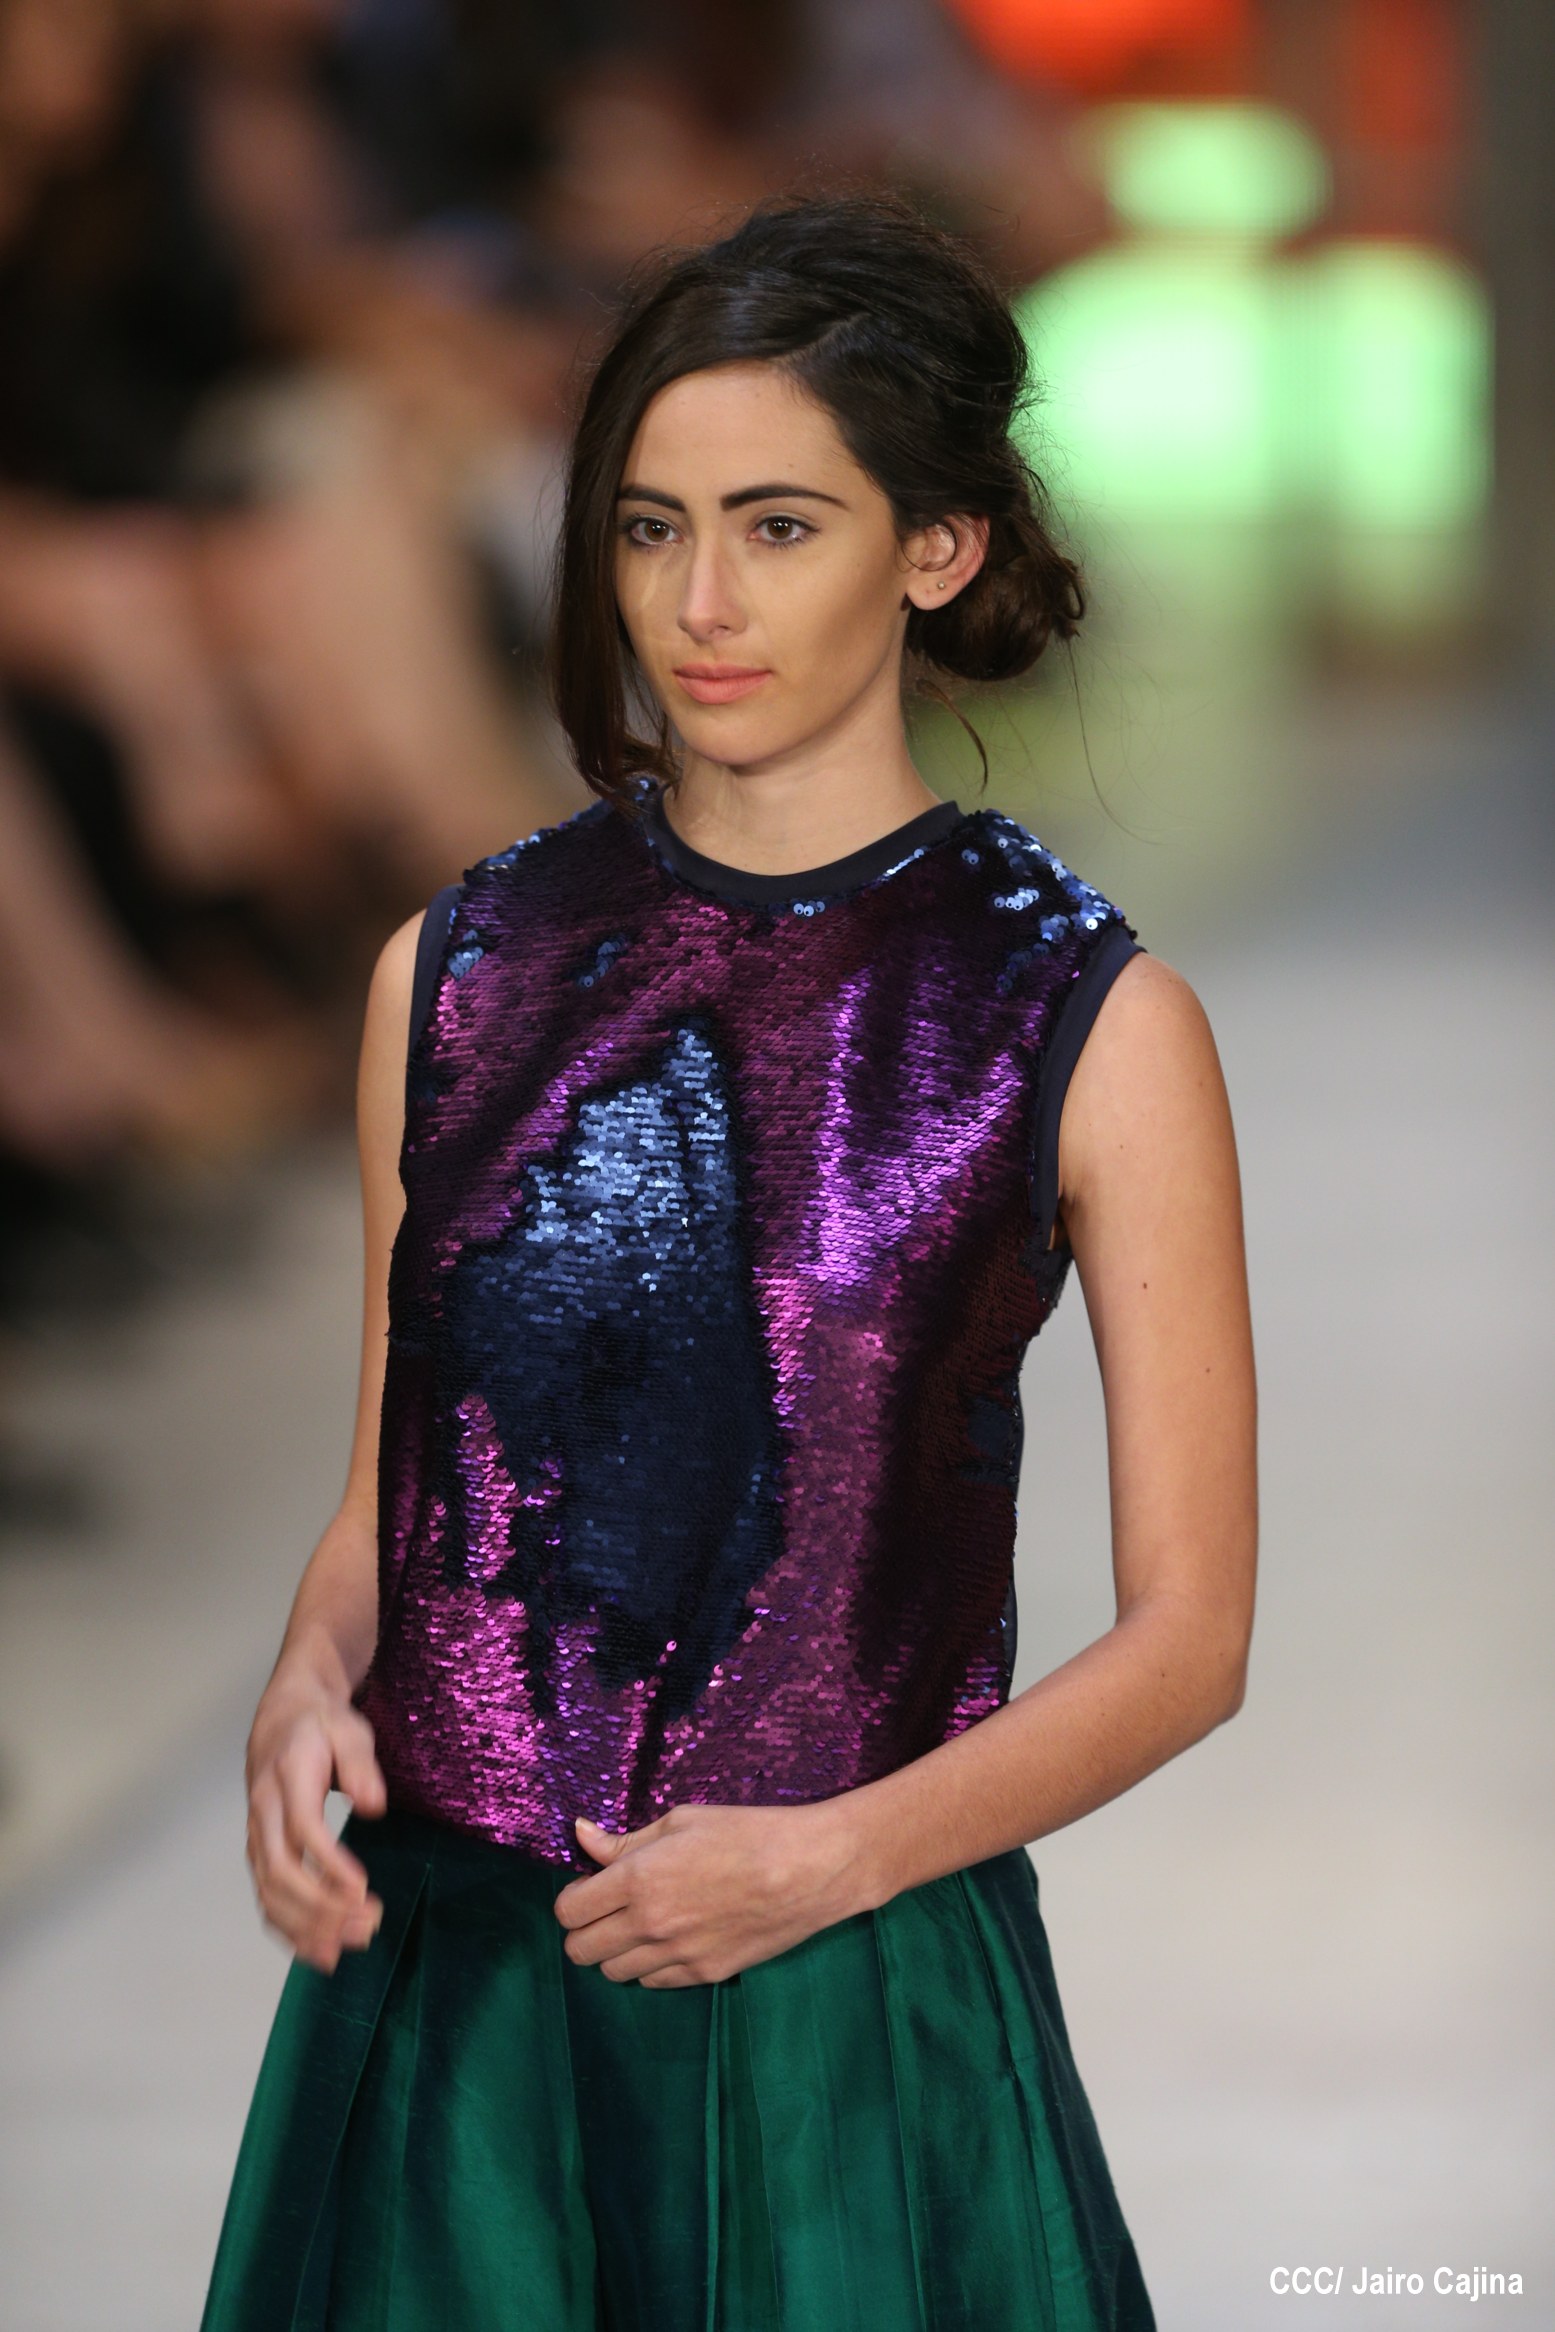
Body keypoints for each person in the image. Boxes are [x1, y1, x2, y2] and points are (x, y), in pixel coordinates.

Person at [200, 189, 1257, 2332]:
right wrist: (309, 1687)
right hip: (456, 2009)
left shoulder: (1079, 1020)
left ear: (934, 546)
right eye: (647, 527)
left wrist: (831, 1855)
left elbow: (1191, 1637)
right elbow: (395, 1498)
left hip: (844, 2001)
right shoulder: (457, 967)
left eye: (779, 527)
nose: (699, 602)